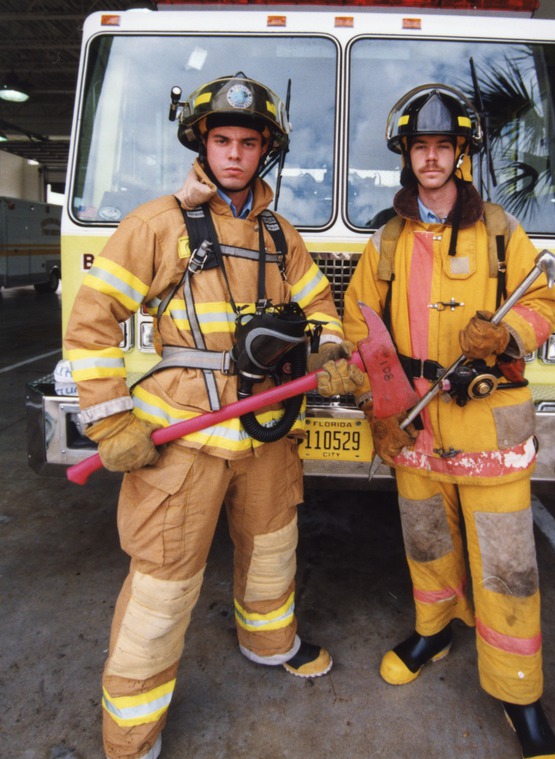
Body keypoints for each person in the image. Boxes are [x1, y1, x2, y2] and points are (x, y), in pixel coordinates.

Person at [64, 72, 363, 759]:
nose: (233, 153)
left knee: (271, 553)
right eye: (221, 139)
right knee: (163, 585)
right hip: (185, 442)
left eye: (247, 141)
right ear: (203, 143)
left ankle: (269, 643)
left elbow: (322, 311)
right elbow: (91, 321)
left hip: (268, 432)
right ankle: (132, 734)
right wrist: (111, 421)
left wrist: (331, 353)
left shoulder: (279, 234)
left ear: (266, 151)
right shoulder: (159, 224)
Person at [343, 84, 555, 759]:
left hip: (490, 434)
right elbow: (361, 327)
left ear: (461, 153)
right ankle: (434, 630)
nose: (431, 157)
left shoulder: (500, 231)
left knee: (506, 567)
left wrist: (505, 338)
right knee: (428, 544)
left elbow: (546, 303)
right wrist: (382, 411)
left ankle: (518, 691)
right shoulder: (385, 240)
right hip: (417, 434)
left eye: (444, 145)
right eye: (420, 147)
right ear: (407, 157)